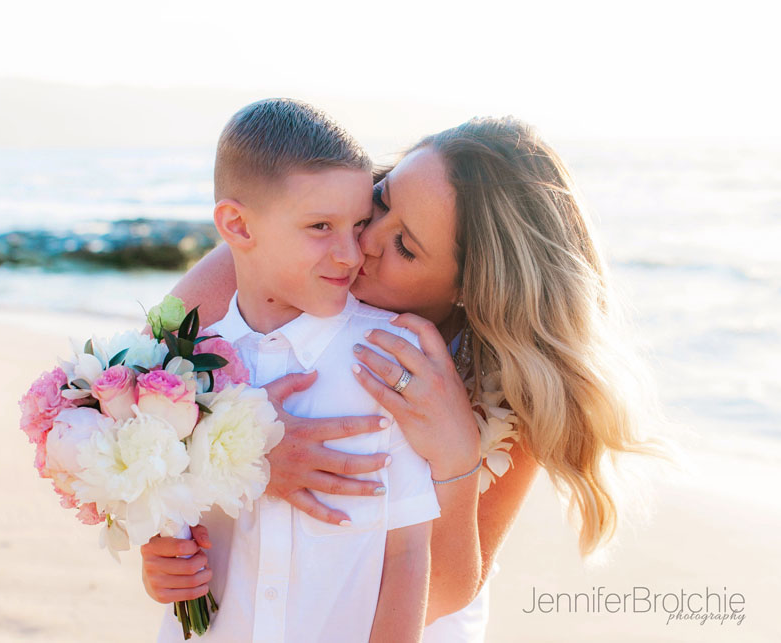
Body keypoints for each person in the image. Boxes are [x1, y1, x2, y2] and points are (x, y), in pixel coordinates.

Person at [143, 114, 664, 641]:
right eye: (383, 202)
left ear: (470, 288)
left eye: (405, 247)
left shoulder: (518, 383)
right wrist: (242, 453)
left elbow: (438, 595)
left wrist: (456, 460)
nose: (362, 244)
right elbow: (126, 390)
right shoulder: (279, 251)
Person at [154, 98, 441, 643]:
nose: (350, 255)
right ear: (237, 225)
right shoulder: (180, 369)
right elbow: (165, 514)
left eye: (358, 224)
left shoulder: (389, 355)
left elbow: (408, 552)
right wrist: (162, 562)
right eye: (319, 226)